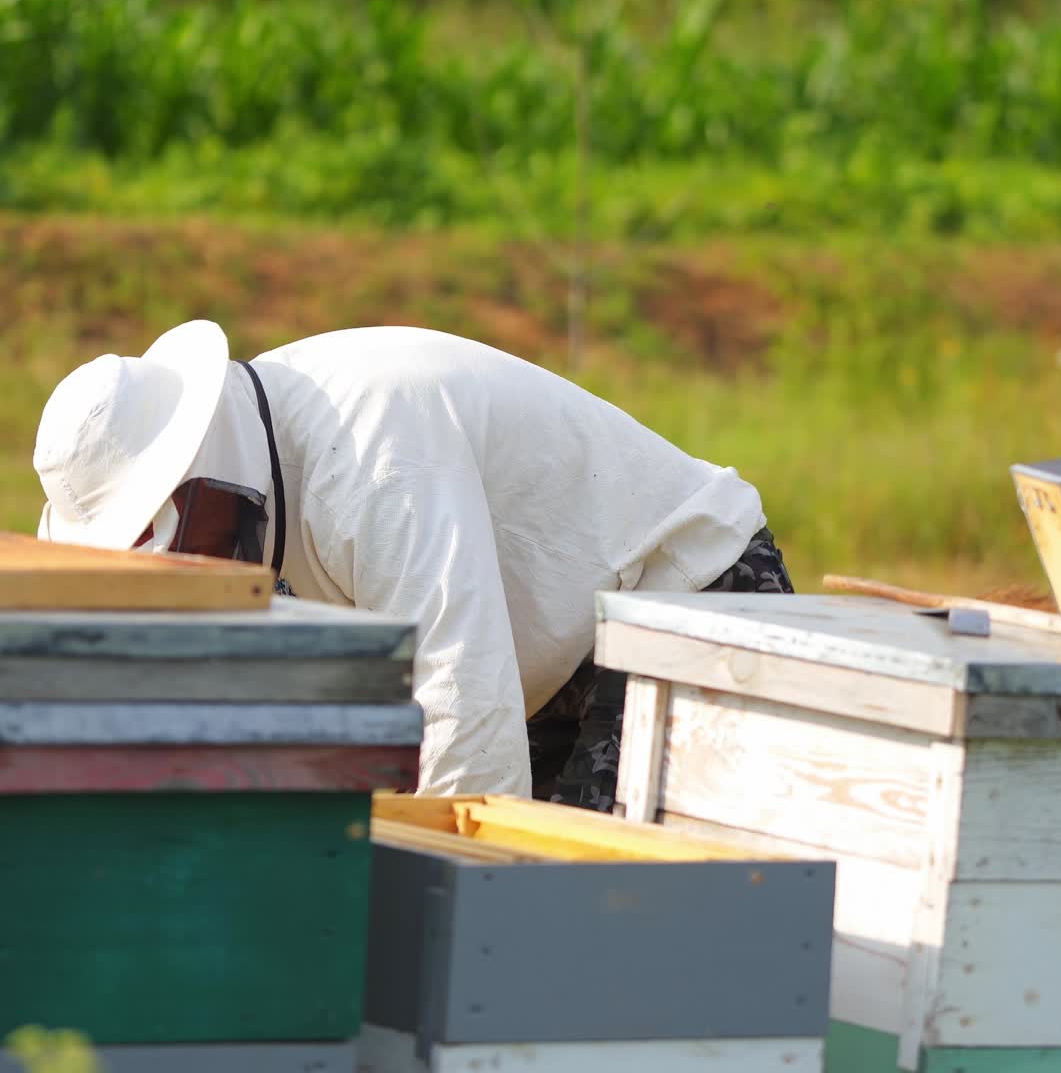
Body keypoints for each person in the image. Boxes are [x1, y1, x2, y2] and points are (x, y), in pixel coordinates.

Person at [33, 320, 793, 809]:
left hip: (692, 602)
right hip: (556, 660)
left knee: (587, 915)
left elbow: (462, 695)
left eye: (163, 538)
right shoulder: (279, 453)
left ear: (198, 482)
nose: (182, 566)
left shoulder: (368, 452)